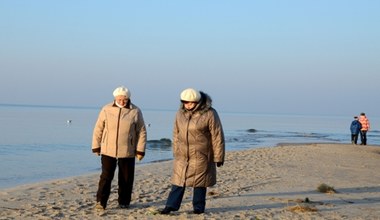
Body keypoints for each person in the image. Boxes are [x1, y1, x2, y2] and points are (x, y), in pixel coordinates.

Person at [160, 88, 225, 215]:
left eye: (191, 103)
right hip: (183, 154)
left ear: (198, 102)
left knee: (200, 182)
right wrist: (176, 150)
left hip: (201, 154)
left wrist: (219, 157)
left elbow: (217, 135)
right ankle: (170, 206)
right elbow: (176, 133)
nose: (188, 105)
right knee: (178, 180)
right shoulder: (180, 113)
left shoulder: (210, 113)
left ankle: (198, 207)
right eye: (185, 102)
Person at [92, 86, 147, 210]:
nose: (122, 101)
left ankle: (124, 202)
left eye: (125, 99)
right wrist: (96, 146)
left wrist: (140, 150)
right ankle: (101, 201)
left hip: (128, 150)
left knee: (126, 178)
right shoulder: (106, 109)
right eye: (120, 99)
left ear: (128, 98)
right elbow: (98, 128)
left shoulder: (135, 111)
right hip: (107, 149)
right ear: (115, 98)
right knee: (106, 176)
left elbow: (141, 131)